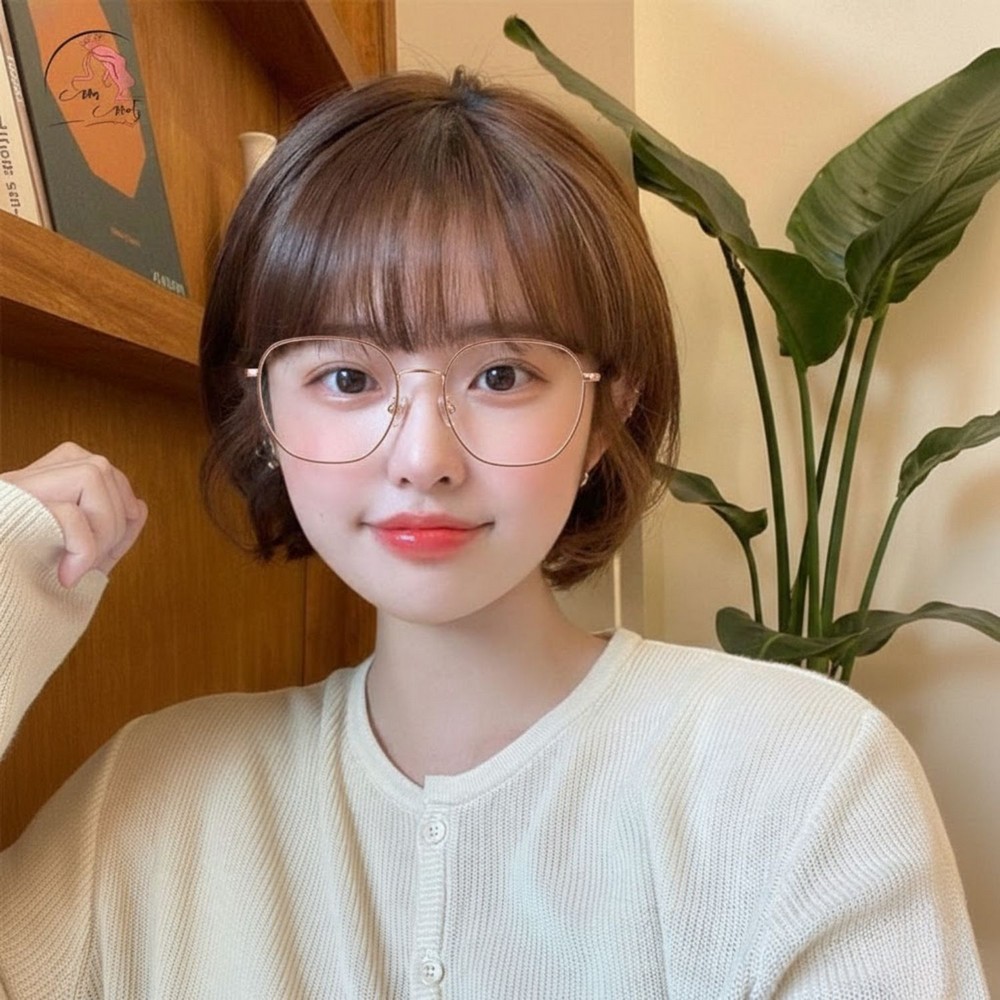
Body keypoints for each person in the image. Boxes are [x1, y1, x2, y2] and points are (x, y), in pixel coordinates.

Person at [0, 69, 987, 999]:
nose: (423, 457)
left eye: (502, 375)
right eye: (347, 377)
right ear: (263, 411)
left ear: (606, 412)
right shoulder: (148, 795)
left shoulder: (803, 777)